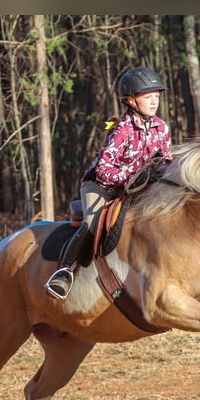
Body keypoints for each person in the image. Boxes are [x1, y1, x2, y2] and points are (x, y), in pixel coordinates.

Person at [46, 66, 173, 299]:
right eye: (148, 97)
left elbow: (166, 159)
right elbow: (104, 169)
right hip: (102, 186)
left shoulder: (162, 127)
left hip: (139, 188)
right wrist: (132, 179)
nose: (154, 101)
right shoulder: (121, 129)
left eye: (157, 96)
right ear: (132, 101)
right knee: (92, 222)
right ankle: (64, 272)